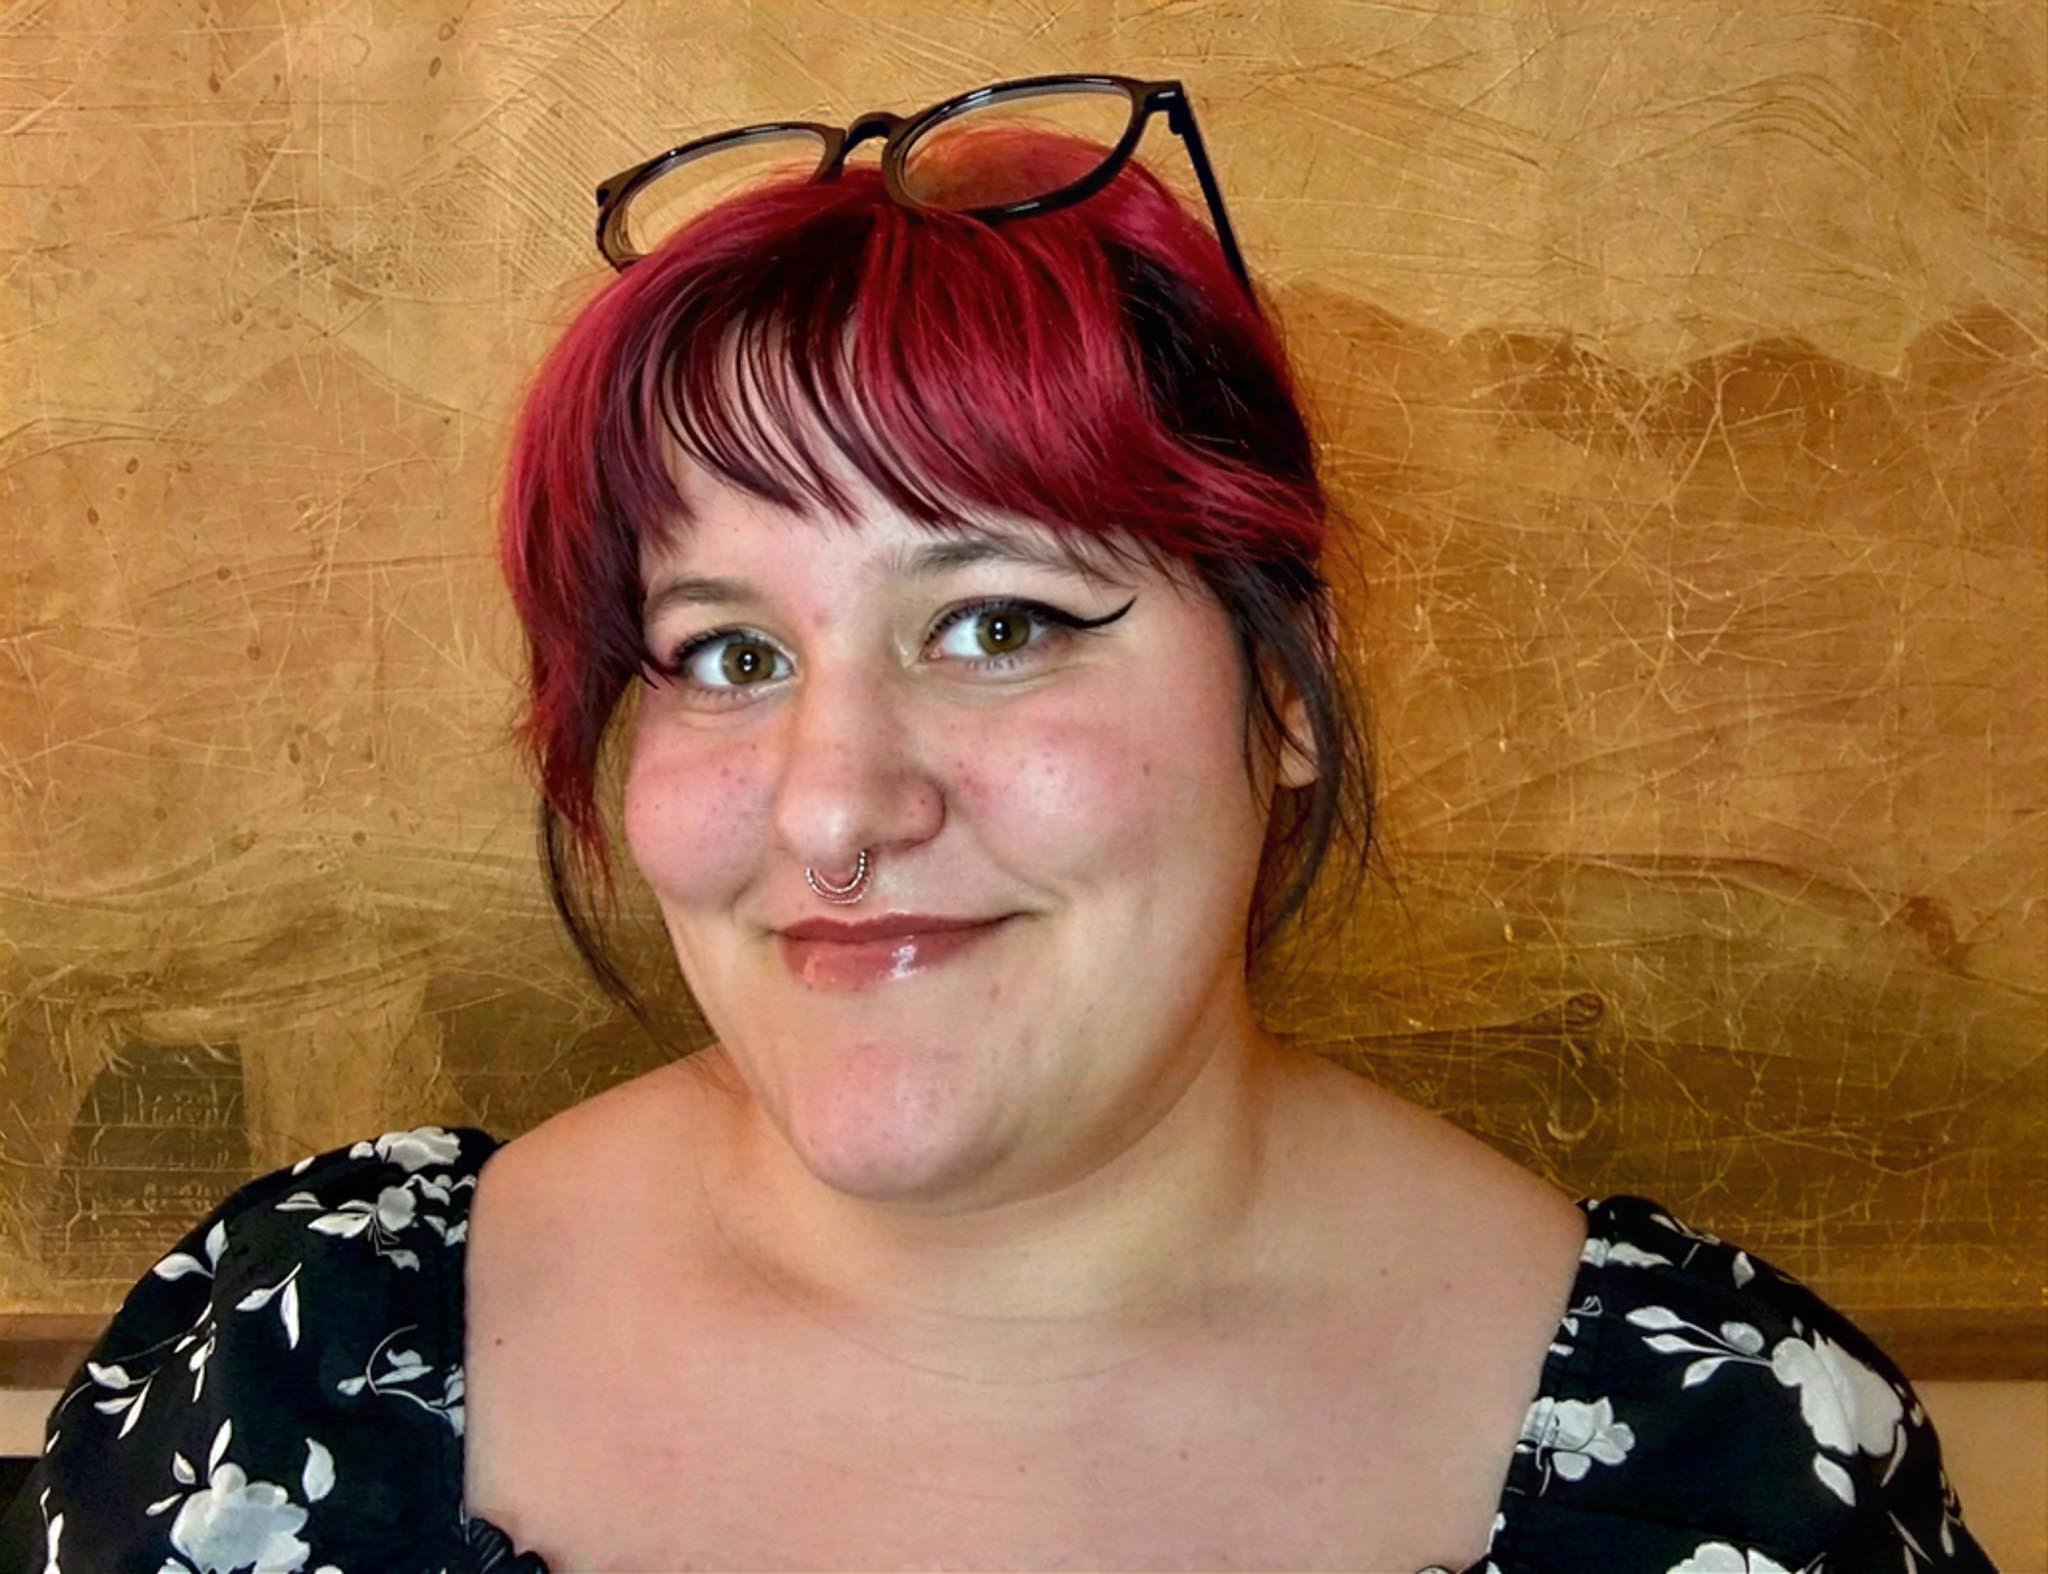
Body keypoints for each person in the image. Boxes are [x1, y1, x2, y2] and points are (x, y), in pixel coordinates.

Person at [2, 75, 1996, 1574]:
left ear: (1282, 686)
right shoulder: (293, 1353)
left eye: (996, 622)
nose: (836, 800)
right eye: (719, 654)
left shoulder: (1736, 1467)